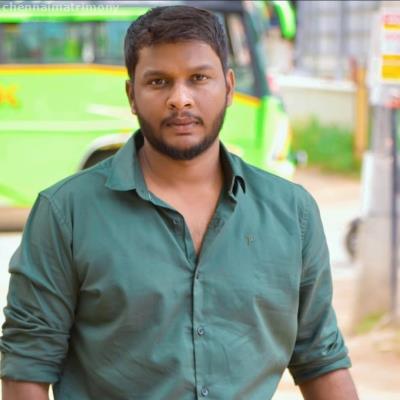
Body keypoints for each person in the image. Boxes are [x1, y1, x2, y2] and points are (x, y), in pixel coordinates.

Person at [0, 5, 358, 400]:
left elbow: (320, 360)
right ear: (131, 95)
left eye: (199, 78)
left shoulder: (292, 213)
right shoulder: (65, 213)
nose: (180, 99)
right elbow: (25, 371)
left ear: (229, 87)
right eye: (159, 82)